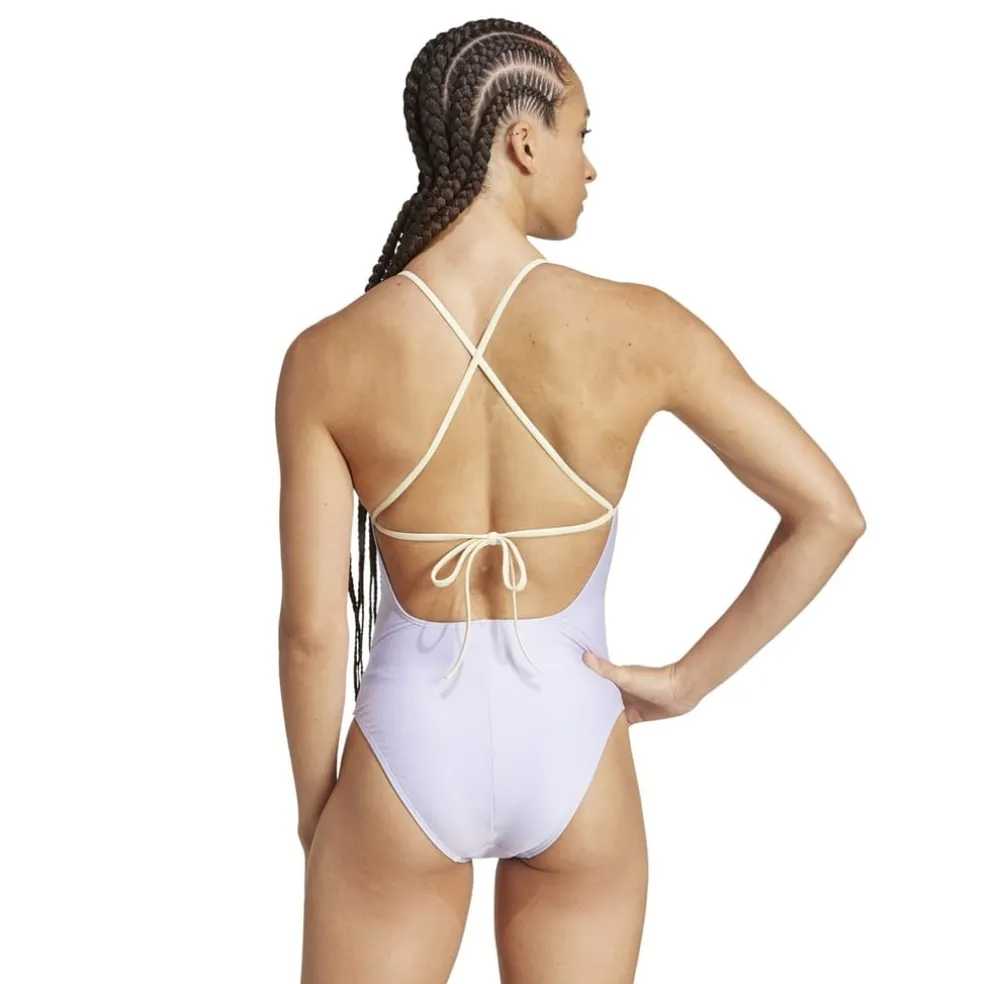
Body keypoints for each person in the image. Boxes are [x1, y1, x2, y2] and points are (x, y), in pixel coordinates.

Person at [275, 17, 866, 984]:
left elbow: (312, 631)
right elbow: (830, 513)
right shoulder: (642, 327)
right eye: (582, 133)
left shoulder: (326, 355)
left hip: (404, 751)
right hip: (576, 746)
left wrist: (321, 821)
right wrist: (687, 681)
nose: (589, 166)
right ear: (524, 141)